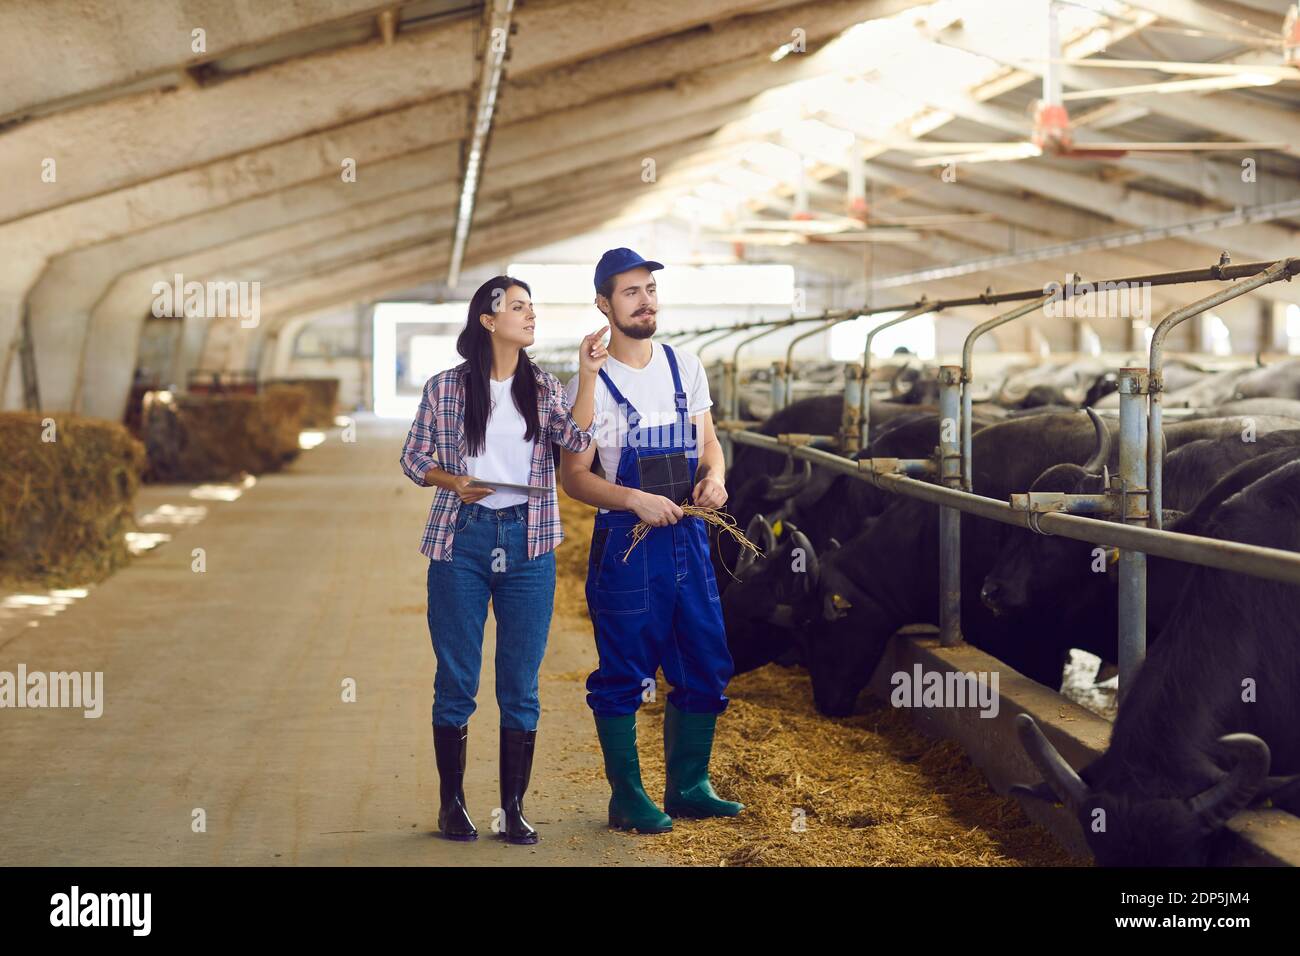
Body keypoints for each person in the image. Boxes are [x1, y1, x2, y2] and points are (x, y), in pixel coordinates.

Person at [399, 274, 608, 844]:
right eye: (518, 307)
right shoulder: (444, 388)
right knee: (457, 677)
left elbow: (577, 439)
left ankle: (513, 809)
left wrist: (587, 376)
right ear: (488, 320)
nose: (530, 315)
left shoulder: (540, 387)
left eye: (532, 307)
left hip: (528, 540)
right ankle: (452, 806)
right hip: (461, 537)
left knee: (520, 683)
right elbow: (413, 459)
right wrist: (454, 480)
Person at [559, 248, 744, 834]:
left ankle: (689, 786)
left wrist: (714, 478)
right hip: (629, 543)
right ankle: (628, 797)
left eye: (650, 290)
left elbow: (710, 444)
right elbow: (575, 476)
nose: (645, 301)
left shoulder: (683, 365)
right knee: (624, 671)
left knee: (705, 661)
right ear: (604, 304)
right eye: (631, 292)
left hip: (689, 537)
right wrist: (634, 499)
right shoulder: (588, 380)